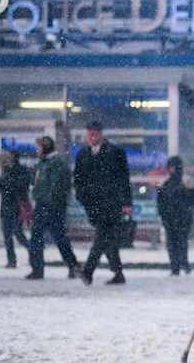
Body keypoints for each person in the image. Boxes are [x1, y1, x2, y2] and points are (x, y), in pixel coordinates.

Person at [74, 121, 132, 286]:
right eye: (89, 134)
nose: (92, 137)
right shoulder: (82, 154)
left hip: (112, 203)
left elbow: (123, 179)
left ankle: (88, 271)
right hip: (92, 204)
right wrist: (82, 197)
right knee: (108, 239)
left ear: (101, 134)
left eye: (95, 134)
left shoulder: (115, 152)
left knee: (101, 237)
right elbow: (78, 179)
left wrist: (127, 202)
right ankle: (118, 272)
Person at [26, 136, 81, 280]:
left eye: (38, 147)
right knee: (42, 237)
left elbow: (57, 186)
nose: (36, 150)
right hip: (43, 204)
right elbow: (38, 182)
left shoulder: (56, 163)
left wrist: (49, 201)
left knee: (56, 237)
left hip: (52, 206)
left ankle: (71, 267)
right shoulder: (43, 163)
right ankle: (39, 269)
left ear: (45, 148)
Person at [156, 156, 194, 276]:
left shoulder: (185, 183)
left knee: (180, 242)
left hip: (181, 219)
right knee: (173, 243)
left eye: (173, 167)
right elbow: (161, 202)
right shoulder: (166, 183)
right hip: (171, 219)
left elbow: (192, 200)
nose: (171, 169)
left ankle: (182, 264)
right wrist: (163, 215)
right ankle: (176, 266)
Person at [0, 151, 31, 268]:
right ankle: (12, 260)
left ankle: (33, 252)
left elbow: (15, 187)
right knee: (9, 235)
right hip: (9, 207)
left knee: (16, 233)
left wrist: (6, 180)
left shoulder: (18, 171)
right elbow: (1, 187)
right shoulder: (6, 171)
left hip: (16, 207)